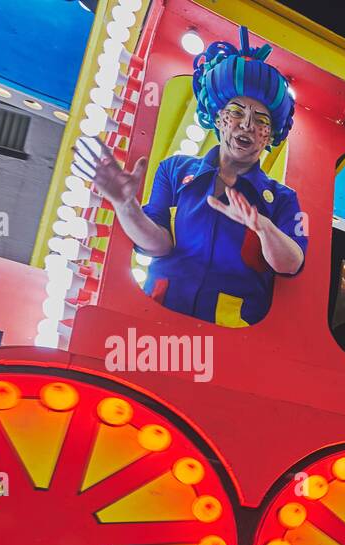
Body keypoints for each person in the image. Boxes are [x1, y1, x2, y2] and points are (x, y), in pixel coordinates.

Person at [75, 27, 306, 327]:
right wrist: (124, 204)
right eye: (237, 112)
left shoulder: (284, 200)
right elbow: (158, 244)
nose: (247, 124)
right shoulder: (175, 170)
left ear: (269, 135)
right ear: (219, 116)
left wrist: (263, 227)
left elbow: (291, 264)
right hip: (155, 323)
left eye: (261, 120)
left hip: (233, 343)